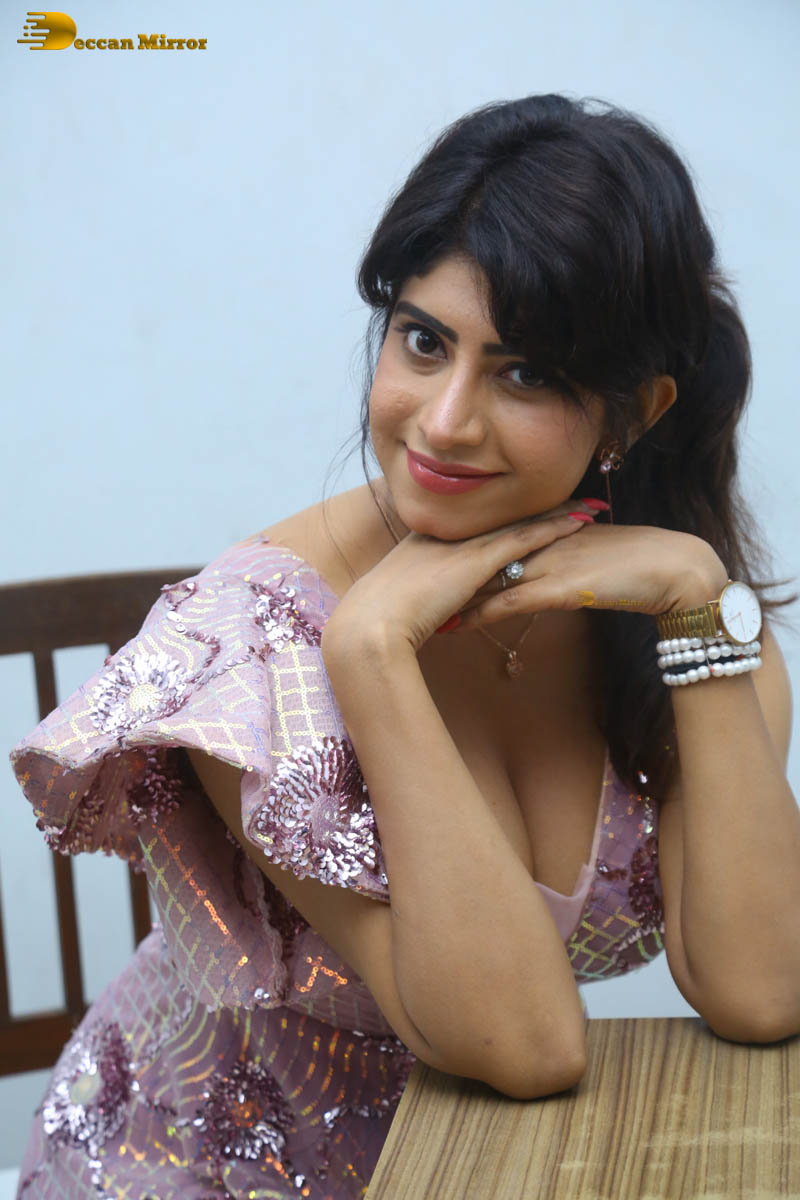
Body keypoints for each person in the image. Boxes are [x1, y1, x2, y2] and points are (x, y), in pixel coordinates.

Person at [9, 92, 799, 1199]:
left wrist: (694, 599)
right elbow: (525, 1048)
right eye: (423, 342)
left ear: (634, 412)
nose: (443, 421)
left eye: (526, 372)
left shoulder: (677, 610)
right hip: (193, 1175)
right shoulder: (245, 649)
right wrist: (372, 650)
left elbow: (762, 991)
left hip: (489, 1169)